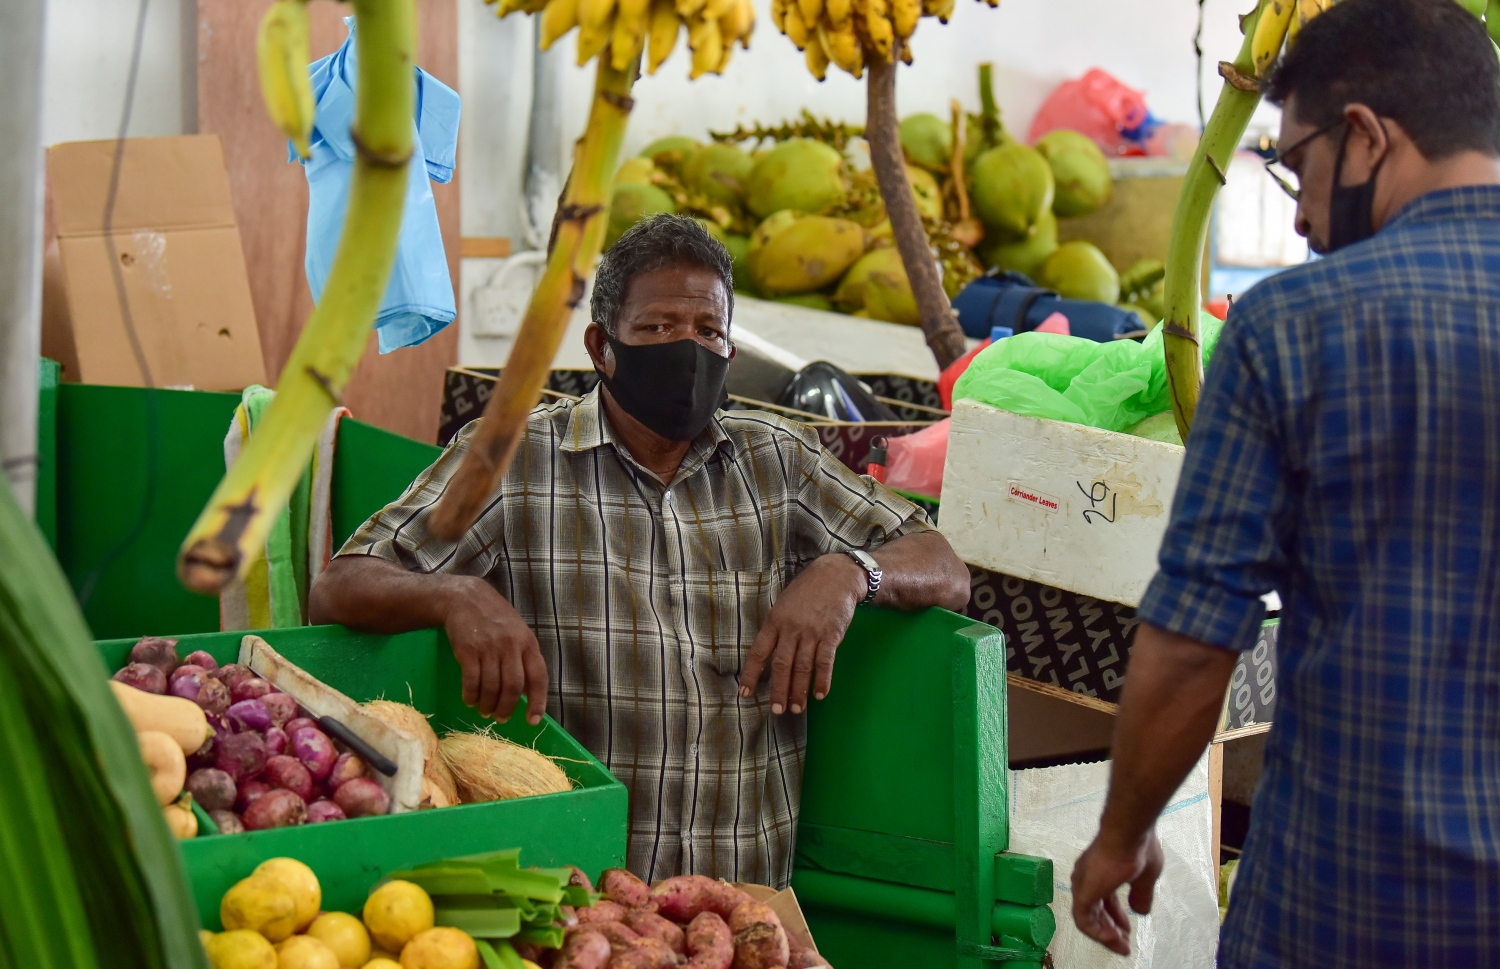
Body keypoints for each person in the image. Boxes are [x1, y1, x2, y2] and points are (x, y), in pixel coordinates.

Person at [310, 213, 970, 887]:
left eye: (709, 331)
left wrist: (850, 571)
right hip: (580, 899)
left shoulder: (777, 461)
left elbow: (943, 565)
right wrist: (454, 594)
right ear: (602, 347)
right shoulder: (513, 457)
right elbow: (339, 585)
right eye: (658, 328)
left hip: (741, 906)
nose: (688, 349)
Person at [1069, 0, 1500, 965]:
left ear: (1366, 136)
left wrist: (1124, 829)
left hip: (1341, 902)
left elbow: (1195, 637)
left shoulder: (1293, 329)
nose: (1300, 215)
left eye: (1297, 168)